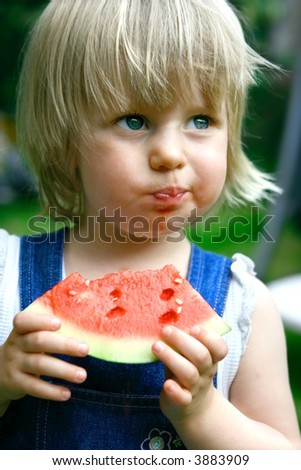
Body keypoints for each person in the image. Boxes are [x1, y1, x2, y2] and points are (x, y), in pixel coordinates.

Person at [0, 0, 300, 450]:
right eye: (135, 121)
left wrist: (204, 412)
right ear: (66, 141)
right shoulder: (5, 277)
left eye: (201, 120)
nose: (170, 154)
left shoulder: (244, 307)